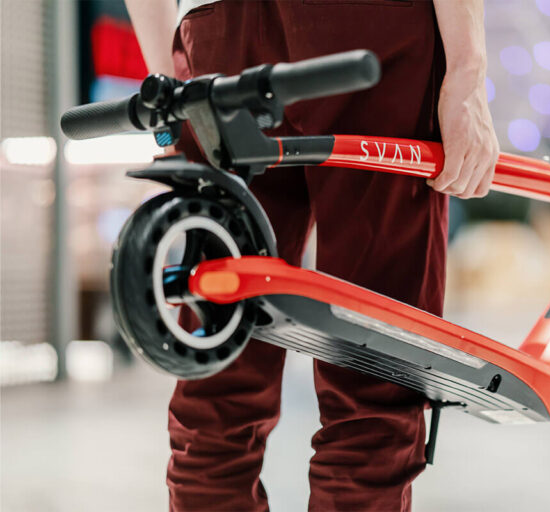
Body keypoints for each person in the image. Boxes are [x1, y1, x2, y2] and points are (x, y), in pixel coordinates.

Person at [125, 0, 499, 510]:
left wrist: (169, 89)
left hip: (216, 32)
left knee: (218, 377)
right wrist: (467, 73)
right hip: (367, 25)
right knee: (376, 372)